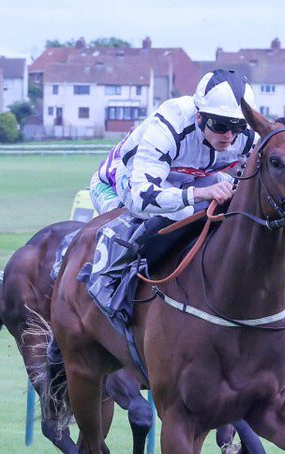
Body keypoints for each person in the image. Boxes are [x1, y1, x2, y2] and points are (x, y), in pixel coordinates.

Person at [81, 68, 257, 320]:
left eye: (237, 126)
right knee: (177, 211)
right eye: (220, 125)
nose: (229, 136)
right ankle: (106, 280)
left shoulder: (245, 136)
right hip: (122, 183)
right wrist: (199, 193)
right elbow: (143, 197)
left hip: (186, 179)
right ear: (199, 117)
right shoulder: (169, 124)